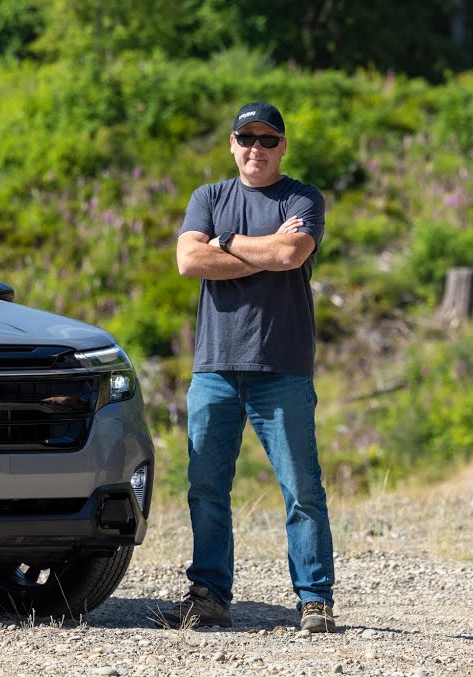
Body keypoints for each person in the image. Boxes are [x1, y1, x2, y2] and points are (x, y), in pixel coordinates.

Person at [162, 101, 336, 632]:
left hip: (281, 365)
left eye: (267, 139)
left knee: (300, 488)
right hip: (214, 366)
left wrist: (229, 242)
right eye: (246, 138)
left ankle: (314, 599)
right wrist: (264, 246)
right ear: (232, 144)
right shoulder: (208, 196)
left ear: (283, 145)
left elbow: (291, 256)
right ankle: (209, 593)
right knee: (206, 486)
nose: (255, 148)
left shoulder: (303, 197)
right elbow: (190, 261)